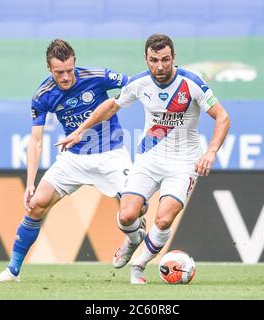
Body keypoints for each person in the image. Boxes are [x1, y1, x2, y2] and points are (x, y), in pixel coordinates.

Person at [59, 34, 230, 284]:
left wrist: (211, 151)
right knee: (127, 215)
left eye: (165, 59)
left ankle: (138, 265)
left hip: (183, 163)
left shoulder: (192, 83)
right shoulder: (139, 83)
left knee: (163, 218)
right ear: (146, 59)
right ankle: (132, 240)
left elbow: (223, 117)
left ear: (174, 58)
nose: (159, 66)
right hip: (149, 158)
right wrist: (79, 131)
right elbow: (111, 106)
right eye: (153, 60)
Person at [0, 39, 146, 283]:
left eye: (70, 70)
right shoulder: (43, 95)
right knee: (36, 204)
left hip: (110, 154)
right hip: (73, 159)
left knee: (137, 210)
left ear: (75, 63)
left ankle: (133, 239)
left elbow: (137, 84)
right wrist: (30, 183)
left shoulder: (97, 76)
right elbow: (35, 141)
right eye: (60, 72)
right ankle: (12, 271)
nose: (67, 76)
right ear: (49, 69)